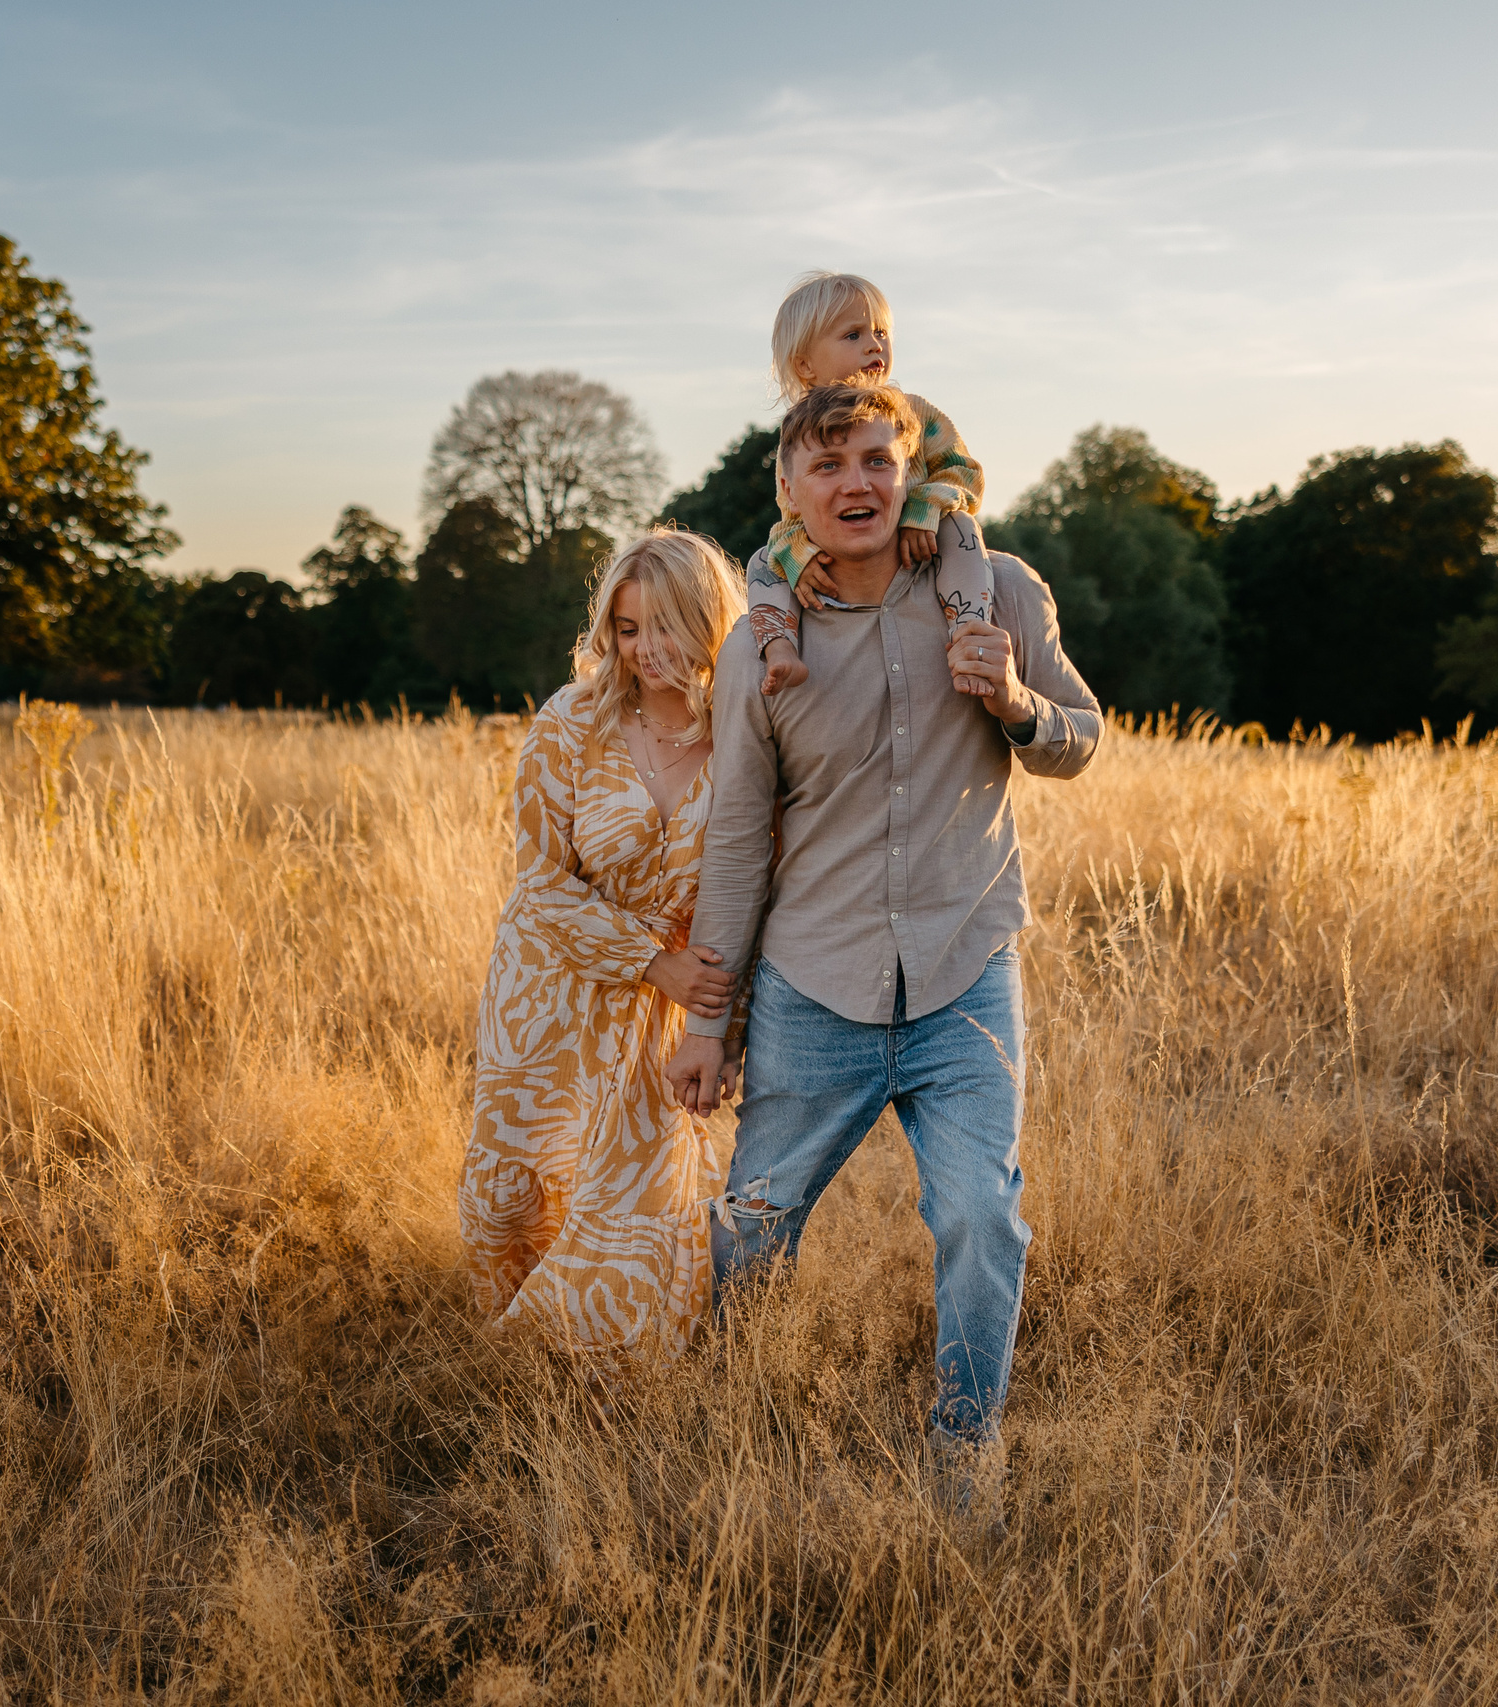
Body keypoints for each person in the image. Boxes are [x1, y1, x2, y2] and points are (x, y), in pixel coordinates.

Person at [666, 382, 1102, 1470]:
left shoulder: (994, 591)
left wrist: (1015, 702)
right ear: (787, 491)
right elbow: (734, 835)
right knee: (752, 1227)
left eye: (875, 459)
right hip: (816, 980)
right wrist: (711, 1021)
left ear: (909, 474)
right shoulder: (762, 643)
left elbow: (1080, 738)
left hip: (966, 972)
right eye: (828, 466)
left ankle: (965, 1453)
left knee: (979, 1220)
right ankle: (738, 1439)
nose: (854, 484)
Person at [461, 527, 750, 1356]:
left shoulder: (745, 738)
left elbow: (754, 891)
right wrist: (653, 961)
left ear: (706, 622)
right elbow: (540, 883)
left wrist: (723, 1030)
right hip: (546, 997)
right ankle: (509, 1379)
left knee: (632, 1218)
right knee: (512, 1205)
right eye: (627, 629)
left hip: (657, 1025)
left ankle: (607, 1399)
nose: (646, 649)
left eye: (664, 626)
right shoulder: (571, 721)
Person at [747, 272, 996, 700]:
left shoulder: (913, 413)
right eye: (853, 334)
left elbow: (965, 472)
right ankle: (781, 649)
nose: (874, 345)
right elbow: (791, 518)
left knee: (962, 528)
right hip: (848, 568)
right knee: (763, 562)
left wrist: (924, 508)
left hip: (928, 548)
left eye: (881, 332)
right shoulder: (800, 437)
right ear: (806, 365)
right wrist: (799, 559)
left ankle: (970, 628)